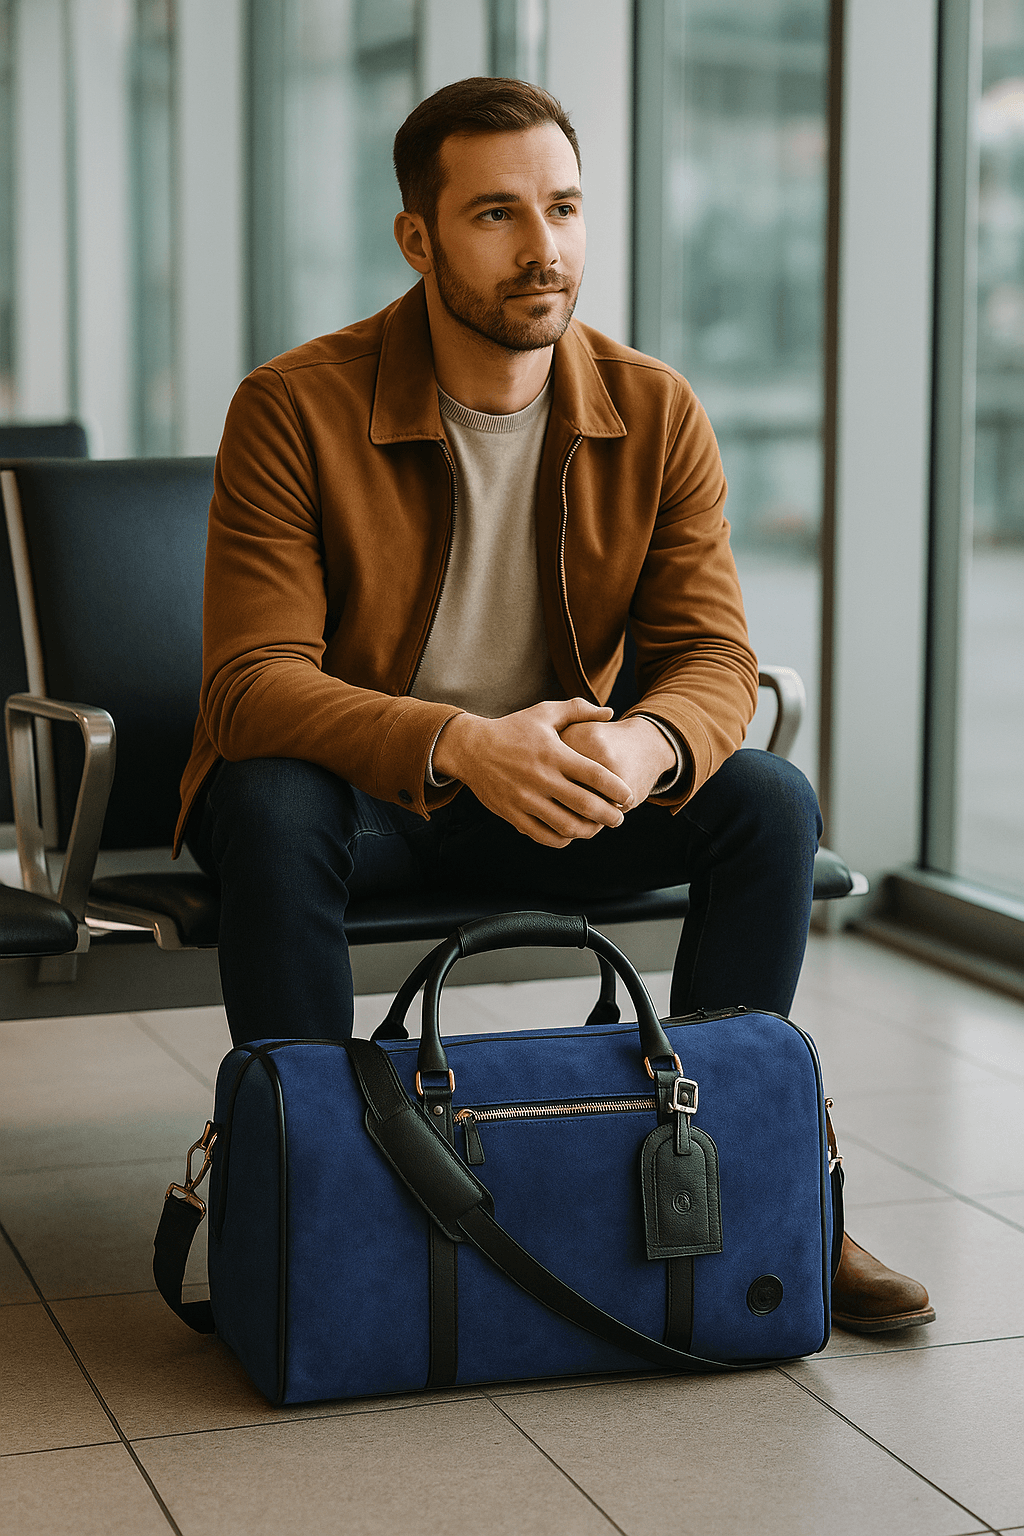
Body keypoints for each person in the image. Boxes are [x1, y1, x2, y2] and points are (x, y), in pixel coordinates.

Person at [176, 77, 933, 1335]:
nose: (544, 249)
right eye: (496, 215)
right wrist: (460, 741)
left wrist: (645, 743)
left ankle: (750, 1180)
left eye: (565, 208)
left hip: (554, 787)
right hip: (371, 799)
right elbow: (251, 684)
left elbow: (710, 658)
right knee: (264, 803)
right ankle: (313, 1201)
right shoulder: (294, 407)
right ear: (418, 238)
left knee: (763, 799)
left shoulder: (652, 407)